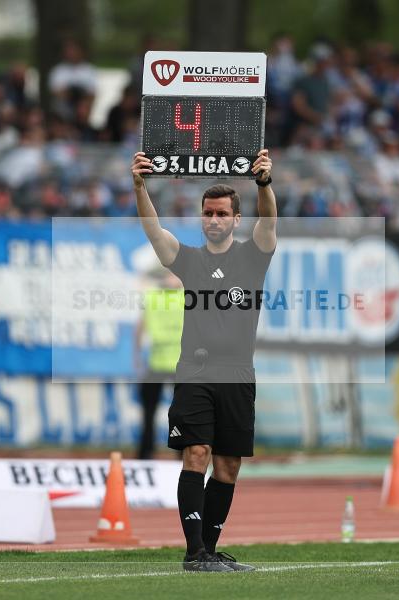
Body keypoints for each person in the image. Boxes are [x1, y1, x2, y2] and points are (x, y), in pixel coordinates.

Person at [131, 149, 276, 572]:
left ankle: (209, 551)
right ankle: (194, 552)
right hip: (195, 373)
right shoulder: (190, 261)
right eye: (207, 213)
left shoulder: (253, 257)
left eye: (221, 214)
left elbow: (269, 221)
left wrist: (264, 183)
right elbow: (154, 230)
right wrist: (140, 187)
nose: (212, 220)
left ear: (235, 219)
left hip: (238, 375)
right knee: (197, 453)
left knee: (228, 465)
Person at [135, 267, 184, 460]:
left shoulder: (153, 297)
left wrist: (137, 357)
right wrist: (138, 358)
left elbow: (140, 328)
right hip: (162, 362)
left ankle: (153, 454)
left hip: (177, 363)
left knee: (181, 412)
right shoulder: (187, 297)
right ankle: (147, 453)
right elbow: (140, 327)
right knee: (151, 411)